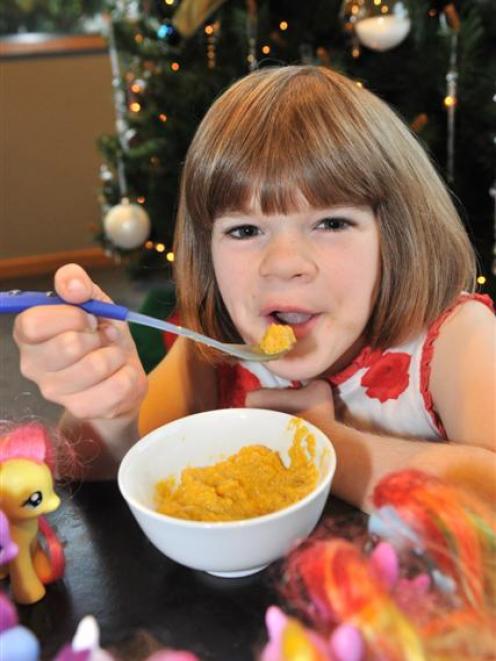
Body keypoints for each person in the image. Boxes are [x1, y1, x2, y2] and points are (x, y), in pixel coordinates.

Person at [13, 65, 495, 511]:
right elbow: (99, 466)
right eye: (244, 230)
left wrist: (315, 442)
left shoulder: (458, 341)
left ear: (396, 232)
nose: (283, 265)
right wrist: (111, 408)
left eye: (330, 222)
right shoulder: (216, 351)